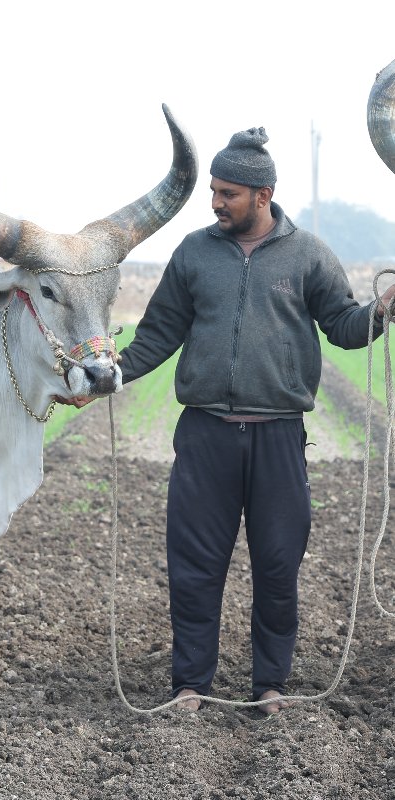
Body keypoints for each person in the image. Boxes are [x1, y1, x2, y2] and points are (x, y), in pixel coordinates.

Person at [79, 127, 395, 714]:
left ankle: (270, 686)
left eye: (227, 193)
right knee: (194, 569)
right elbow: (158, 335)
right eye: (214, 192)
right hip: (205, 436)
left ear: (263, 194)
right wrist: (111, 373)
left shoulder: (308, 256)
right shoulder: (194, 254)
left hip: (278, 437)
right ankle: (190, 686)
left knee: (278, 568)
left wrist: (380, 310)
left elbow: (345, 329)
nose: (217, 203)